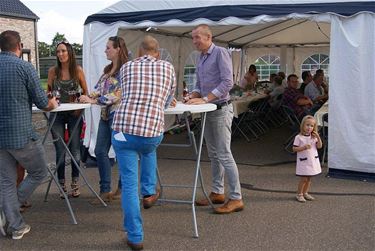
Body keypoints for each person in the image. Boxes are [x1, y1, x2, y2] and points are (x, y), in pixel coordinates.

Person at [111, 35, 176, 250]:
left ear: (139, 52)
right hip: (151, 133)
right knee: (149, 149)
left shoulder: (127, 67)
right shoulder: (168, 68)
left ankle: (135, 236)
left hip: (124, 130)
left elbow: (122, 94)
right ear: (157, 52)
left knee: (129, 184)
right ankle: (148, 191)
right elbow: (167, 101)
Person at [0, 30, 58, 239]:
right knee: (39, 172)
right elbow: (43, 103)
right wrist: (53, 103)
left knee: (6, 181)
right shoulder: (25, 67)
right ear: (20, 46)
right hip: (20, 135)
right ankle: (10, 214)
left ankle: (15, 225)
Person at [186, 24, 244, 214]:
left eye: (197, 37)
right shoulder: (201, 57)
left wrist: (204, 98)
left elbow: (228, 82)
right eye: (193, 38)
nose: (194, 41)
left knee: (224, 154)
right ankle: (218, 192)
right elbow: (199, 84)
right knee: (213, 154)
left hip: (219, 109)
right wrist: (191, 96)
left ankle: (236, 197)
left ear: (208, 37)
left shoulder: (220, 53)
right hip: (208, 110)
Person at [79, 36, 129, 203]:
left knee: (122, 153)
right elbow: (99, 90)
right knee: (100, 151)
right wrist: (86, 96)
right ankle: (105, 190)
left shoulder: (126, 70)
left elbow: (117, 94)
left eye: (108, 48)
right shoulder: (108, 70)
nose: (105, 50)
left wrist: (93, 101)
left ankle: (122, 189)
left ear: (118, 49)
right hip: (106, 116)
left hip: (119, 117)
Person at [47, 41, 88, 198]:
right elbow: (49, 93)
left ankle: (75, 183)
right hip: (57, 114)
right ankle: (62, 184)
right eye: (58, 51)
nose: (60, 54)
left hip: (74, 114)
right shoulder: (52, 71)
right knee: (59, 150)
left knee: (75, 149)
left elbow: (85, 92)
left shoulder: (78, 70)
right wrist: (50, 97)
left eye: (63, 51)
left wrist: (79, 108)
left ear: (69, 52)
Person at [292, 115, 322, 202]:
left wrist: (318, 137)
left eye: (312, 126)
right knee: (304, 178)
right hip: (304, 161)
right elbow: (294, 149)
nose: (309, 127)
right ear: (303, 125)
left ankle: (305, 193)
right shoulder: (298, 137)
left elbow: (319, 146)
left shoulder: (313, 137)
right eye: (307, 125)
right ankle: (299, 194)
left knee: (309, 178)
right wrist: (303, 148)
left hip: (312, 160)